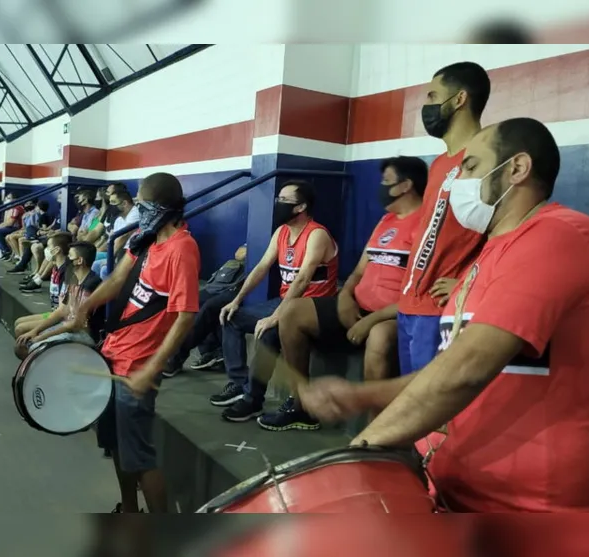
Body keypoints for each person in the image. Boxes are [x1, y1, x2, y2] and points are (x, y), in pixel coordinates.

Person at [300, 118, 589, 513]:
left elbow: (468, 368)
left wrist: (361, 450)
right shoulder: (488, 256)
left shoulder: (561, 234)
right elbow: (454, 363)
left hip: (528, 505)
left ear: (516, 169)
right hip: (456, 489)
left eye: (470, 167)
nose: (456, 182)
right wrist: (362, 395)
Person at [70, 172, 200, 514]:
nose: (137, 211)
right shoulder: (145, 240)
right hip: (113, 353)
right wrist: (85, 306)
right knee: (116, 446)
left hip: (138, 367)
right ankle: (129, 510)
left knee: (140, 457)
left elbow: (185, 315)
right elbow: (116, 279)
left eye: (143, 205)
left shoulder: (182, 249)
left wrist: (153, 369)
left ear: (162, 208)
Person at [273, 156, 426, 430]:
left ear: (405, 186)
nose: (380, 187)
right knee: (292, 312)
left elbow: (418, 292)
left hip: (392, 315)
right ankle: (301, 405)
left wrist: (372, 319)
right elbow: (357, 273)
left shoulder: (426, 226)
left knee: (379, 337)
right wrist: (345, 297)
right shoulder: (385, 222)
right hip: (356, 306)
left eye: (386, 182)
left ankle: (374, 428)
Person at [211, 181, 339, 425]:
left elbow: (302, 280)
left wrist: (276, 316)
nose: (277, 203)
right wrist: (237, 300)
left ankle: (252, 400)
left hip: (311, 307)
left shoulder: (317, 234)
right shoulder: (281, 232)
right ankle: (240, 384)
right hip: (285, 301)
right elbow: (261, 267)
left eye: (284, 199)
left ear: (301, 206)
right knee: (229, 316)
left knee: (269, 331)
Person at [395, 62, 491, 377]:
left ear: (459, 99)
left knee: (432, 411)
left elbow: (504, 235)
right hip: (409, 305)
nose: (426, 105)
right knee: (412, 403)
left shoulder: (486, 160)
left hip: (440, 310)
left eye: (433, 95)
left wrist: (467, 283)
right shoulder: (438, 164)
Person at [163, 244, 248, 378]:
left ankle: (176, 357)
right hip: (229, 283)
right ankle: (211, 350)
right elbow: (239, 254)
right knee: (193, 302)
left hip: (245, 289)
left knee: (210, 307)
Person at [14, 241, 103, 359]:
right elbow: (62, 311)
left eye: (70, 256)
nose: (67, 259)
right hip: (68, 326)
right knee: (22, 345)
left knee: (30, 347)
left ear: (79, 261)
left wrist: (42, 336)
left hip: (85, 334)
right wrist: (35, 331)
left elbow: (76, 324)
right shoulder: (73, 279)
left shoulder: (91, 284)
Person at [13, 232, 73, 338]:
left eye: (49, 247)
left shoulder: (67, 273)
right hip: (53, 313)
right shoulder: (56, 267)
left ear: (56, 250)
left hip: (62, 317)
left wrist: (37, 330)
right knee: (18, 322)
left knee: (20, 328)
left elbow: (64, 310)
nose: (46, 250)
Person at [92, 186, 139, 280]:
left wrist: (110, 259)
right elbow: (114, 240)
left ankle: (111, 294)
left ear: (124, 203)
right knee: (94, 262)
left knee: (105, 269)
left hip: (133, 253)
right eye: (110, 202)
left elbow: (122, 238)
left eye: (113, 202)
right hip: (120, 252)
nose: (111, 206)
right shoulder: (119, 218)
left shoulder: (135, 212)